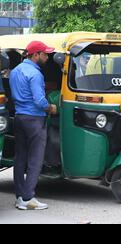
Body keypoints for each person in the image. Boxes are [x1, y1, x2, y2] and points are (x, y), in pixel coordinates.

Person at [9, 40, 58, 210]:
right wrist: (50, 107)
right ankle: (28, 197)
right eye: (44, 54)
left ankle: (20, 197)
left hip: (19, 117)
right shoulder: (36, 74)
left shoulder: (16, 71)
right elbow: (39, 101)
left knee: (20, 157)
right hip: (34, 120)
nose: (47, 57)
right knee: (35, 160)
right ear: (35, 55)